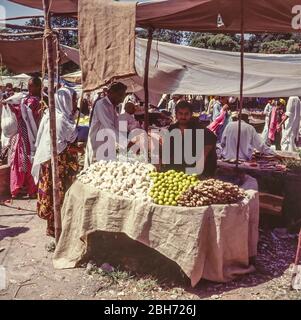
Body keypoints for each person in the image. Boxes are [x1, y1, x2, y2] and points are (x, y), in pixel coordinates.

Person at [32, 87, 79, 237]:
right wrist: (77, 150)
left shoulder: (60, 116)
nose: (75, 103)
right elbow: (62, 144)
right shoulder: (59, 120)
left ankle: (57, 228)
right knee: (57, 196)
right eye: (73, 100)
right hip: (57, 164)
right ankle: (56, 230)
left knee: (57, 196)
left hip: (58, 163)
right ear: (65, 101)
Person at [7, 76, 42, 198]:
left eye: (31, 85)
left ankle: (30, 189)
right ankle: (21, 188)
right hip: (24, 135)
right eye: (29, 85)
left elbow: (29, 114)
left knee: (29, 161)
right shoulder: (28, 99)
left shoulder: (35, 101)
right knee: (22, 160)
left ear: (38, 86)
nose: (29, 88)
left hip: (33, 135)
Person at [165, 101, 217, 177]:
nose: (183, 117)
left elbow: (211, 138)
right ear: (176, 114)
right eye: (180, 113)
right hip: (177, 171)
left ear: (191, 114)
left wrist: (203, 155)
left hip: (194, 171)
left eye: (186, 114)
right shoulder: (172, 129)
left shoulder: (198, 128)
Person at [85, 82, 127, 167]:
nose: (122, 99)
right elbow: (109, 127)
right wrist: (126, 142)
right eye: (120, 95)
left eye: (123, 96)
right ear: (111, 93)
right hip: (97, 143)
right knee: (96, 171)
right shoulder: (101, 104)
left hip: (107, 143)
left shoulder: (112, 106)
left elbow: (116, 125)